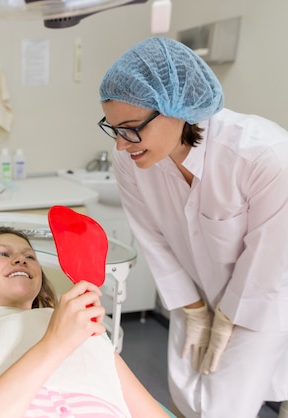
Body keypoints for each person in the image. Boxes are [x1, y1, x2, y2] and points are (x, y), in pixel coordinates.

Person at [98, 36, 288, 417]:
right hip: (196, 295)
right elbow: (152, 239)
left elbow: (269, 257)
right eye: (113, 128)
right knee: (185, 398)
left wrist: (227, 320)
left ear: (176, 110)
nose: (121, 145)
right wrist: (195, 309)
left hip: (263, 299)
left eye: (131, 128)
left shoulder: (263, 157)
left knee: (226, 407)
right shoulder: (131, 161)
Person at [0, 227, 170, 418]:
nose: (21, 259)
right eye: (3, 254)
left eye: (30, 256)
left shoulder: (79, 326)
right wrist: (55, 343)